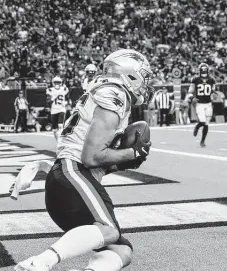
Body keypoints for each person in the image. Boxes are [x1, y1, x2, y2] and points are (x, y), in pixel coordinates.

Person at [14, 49, 154, 271]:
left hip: (69, 179)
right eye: (143, 76)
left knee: (121, 250)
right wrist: (133, 153)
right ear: (130, 74)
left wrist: (120, 162)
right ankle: (38, 263)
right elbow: (92, 156)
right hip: (73, 174)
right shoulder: (115, 94)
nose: (146, 83)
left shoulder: (103, 92)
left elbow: (95, 158)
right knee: (109, 230)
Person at [189, 63, 215, 147]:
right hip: (200, 104)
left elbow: (213, 90)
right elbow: (191, 90)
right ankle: (197, 126)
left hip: (208, 103)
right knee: (203, 121)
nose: (204, 72)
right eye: (202, 70)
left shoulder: (212, 80)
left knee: (206, 123)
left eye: (205, 70)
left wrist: (213, 95)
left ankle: (202, 141)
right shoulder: (195, 79)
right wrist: (193, 97)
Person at [46, 76, 69, 141]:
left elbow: (68, 98)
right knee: (54, 130)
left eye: (58, 82)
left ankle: (61, 141)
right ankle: (58, 141)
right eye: (56, 83)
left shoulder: (64, 89)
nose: (57, 84)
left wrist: (66, 102)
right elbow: (47, 102)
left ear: (61, 83)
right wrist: (52, 99)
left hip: (61, 109)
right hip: (54, 110)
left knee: (60, 125)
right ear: (53, 83)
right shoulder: (50, 90)